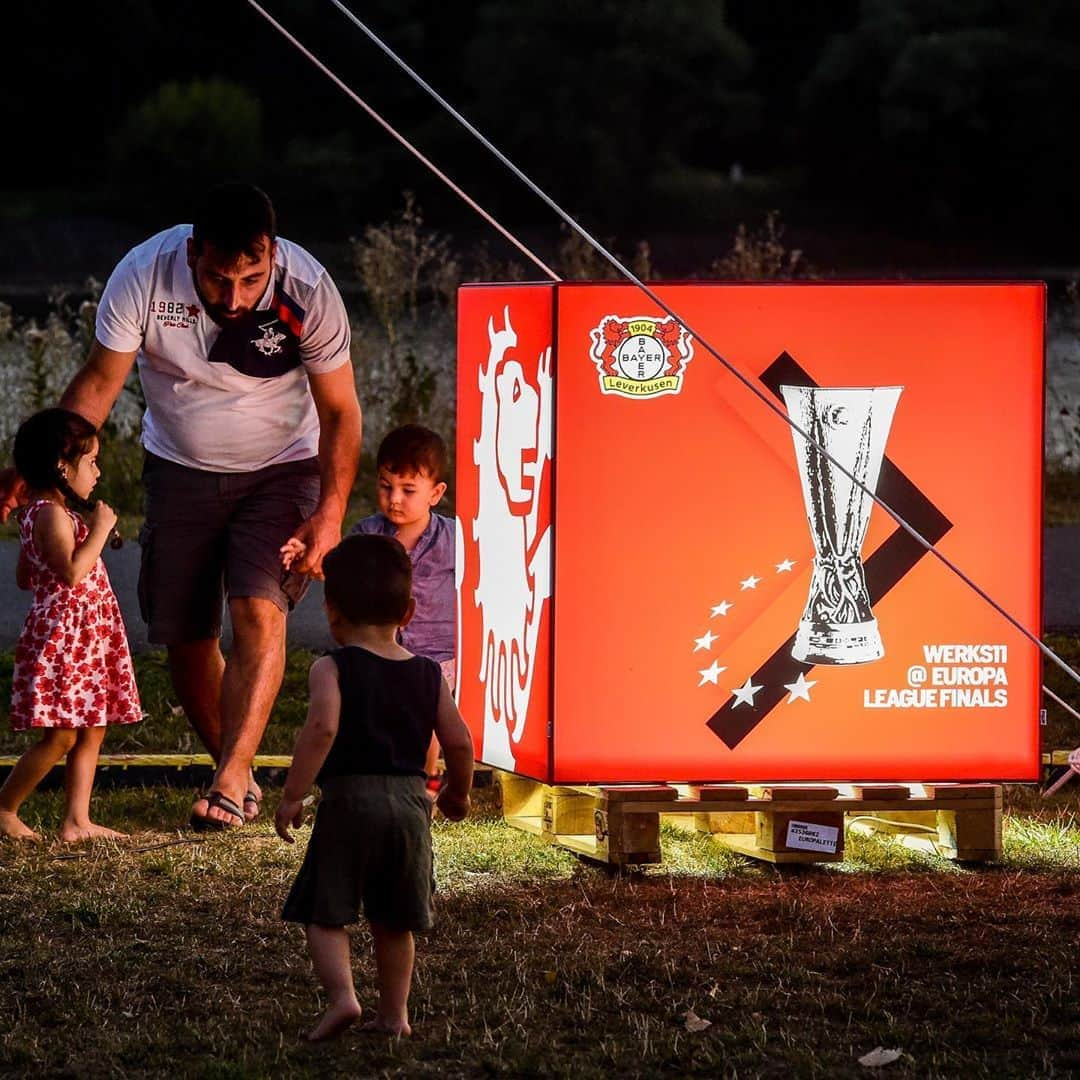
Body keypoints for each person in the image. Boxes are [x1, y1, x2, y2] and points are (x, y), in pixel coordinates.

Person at [1, 183, 363, 829]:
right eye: (219, 279)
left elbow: (340, 410)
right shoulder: (143, 273)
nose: (234, 298)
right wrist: (37, 473)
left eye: (251, 279)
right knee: (188, 634)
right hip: (178, 466)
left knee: (259, 609)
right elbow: (98, 385)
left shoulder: (307, 288)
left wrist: (331, 513)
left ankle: (226, 782)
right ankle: (240, 772)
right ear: (192, 252)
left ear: (271, 256)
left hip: (283, 467)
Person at [275, 533, 473, 1040]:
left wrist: (294, 793)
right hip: (411, 804)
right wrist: (457, 793)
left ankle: (343, 999)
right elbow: (459, 741)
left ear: (331, 611)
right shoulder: (430, 674)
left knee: (324, 911)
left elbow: (321, 731)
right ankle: (395, 1014)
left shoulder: (331, 668)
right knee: (395, 919)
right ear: (408, 612)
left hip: (348, 801)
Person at [282, 424, 455, 796]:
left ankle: (422, 782)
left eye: (408, 490)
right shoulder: (367, 533)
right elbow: (345, 572)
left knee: (426, 722)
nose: (394, 498)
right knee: (374, 714)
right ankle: (376, 774)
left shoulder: (454, 539)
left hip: (437, 650)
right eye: (385, 485)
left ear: (436, 493)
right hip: (374, 646)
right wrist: (308, 556)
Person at [0, 409, 142, 842]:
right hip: (65, 639)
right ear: (63, 465)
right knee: (61, 735)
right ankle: (4, 807)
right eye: (92, 461)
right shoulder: (51, 515)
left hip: (84, 636)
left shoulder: (45, 514)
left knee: (92, 725)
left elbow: (27, 575)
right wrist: (99, 531)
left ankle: (77, 820)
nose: (97, 472)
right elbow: (70, 573)